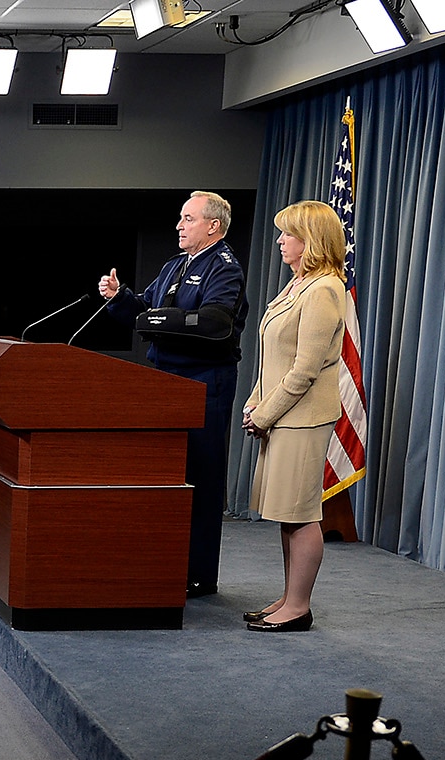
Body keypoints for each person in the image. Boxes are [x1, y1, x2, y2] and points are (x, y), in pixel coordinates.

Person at [98, 191, 249, 597]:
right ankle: (164, 564)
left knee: (200, 476)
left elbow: (214, 322)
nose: (179, 226)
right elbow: (143, 309)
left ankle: (198, 574)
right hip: (164, 380)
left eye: (188, 218)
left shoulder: (224, 268)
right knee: (165, 477)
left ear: (212, 226)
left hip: (204, 382)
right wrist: (119, 298)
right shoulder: (173, 266)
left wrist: (160, 319)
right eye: (181, 218)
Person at [239, 200, 349, 634]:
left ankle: (299, 607)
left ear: (312, 241)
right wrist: (255, 402)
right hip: (282, 415)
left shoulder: (324, 289)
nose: (280, 241)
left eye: (288, 234)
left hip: (302, 419)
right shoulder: (297, 285)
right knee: (287, 513)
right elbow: (275, 359)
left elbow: (305, 368)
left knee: (302, 514)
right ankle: (288, 596)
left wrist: (264, 414)